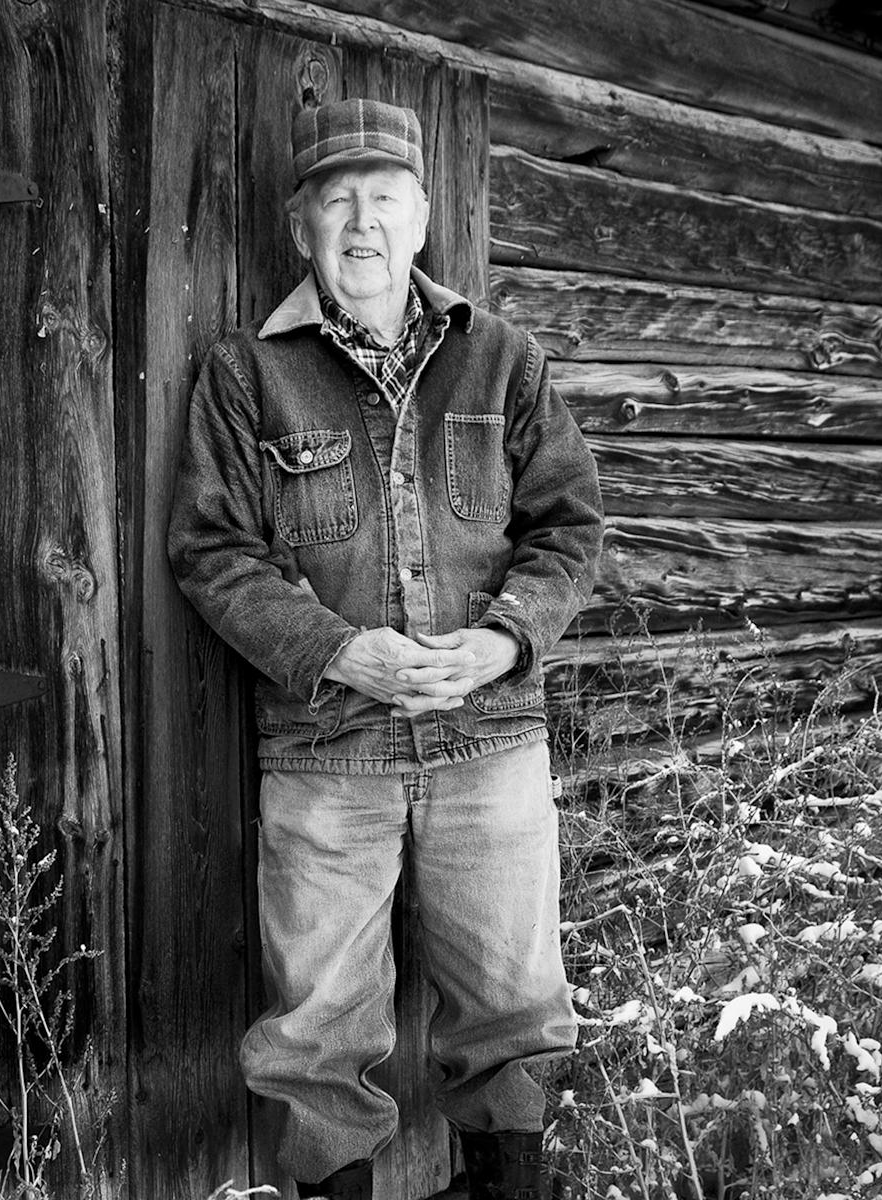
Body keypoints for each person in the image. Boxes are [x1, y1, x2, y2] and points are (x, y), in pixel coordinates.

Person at [168, 98, 604, 1200]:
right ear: (299, 226)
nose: (361, 224)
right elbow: (214, 554)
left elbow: (568, 529)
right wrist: (337, 650)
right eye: (336, 203)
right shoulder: (245, 374)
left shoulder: (502, 359)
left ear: (421, 217)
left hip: (490, 743)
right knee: (316, 1035)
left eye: (383, 200)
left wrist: (505, 644)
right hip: (327, 751)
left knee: (512, 1010)